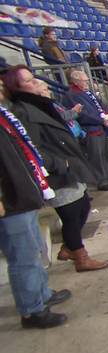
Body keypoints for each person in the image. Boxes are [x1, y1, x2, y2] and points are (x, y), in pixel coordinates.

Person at [6, 67, 108, 273]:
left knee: (82, 207)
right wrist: (60, 164)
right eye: (29, 81)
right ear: (16, 88)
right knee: (71, 213)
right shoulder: (23, 111)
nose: (37, 83)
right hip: (57, 171)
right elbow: (30, 147)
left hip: (69, 165)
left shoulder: (41, 105)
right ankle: (80, 257)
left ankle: (70, 247)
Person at [0, 69, 70, 328]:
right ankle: (32, 311)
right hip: (11, 200)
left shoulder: (6, 116)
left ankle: (42, 294)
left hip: (24, 195)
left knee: (33, 251)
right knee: (23, 256)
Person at [62, 69, 108, 191]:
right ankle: (101, 180)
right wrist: (100, 120)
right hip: (90, 129)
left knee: (105, 154)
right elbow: (82, 115)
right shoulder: (71, 96)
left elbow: (101, 105)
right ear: (76, 82)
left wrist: (107, 116)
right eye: (85, 81)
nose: (87, 82)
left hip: (100, 127)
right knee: (96, 156)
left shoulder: (88, 92)